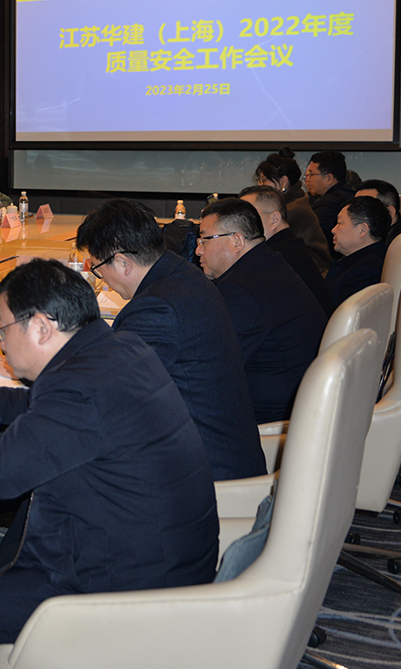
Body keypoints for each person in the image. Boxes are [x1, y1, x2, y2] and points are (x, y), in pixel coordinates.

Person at [0, 259, 218, 669]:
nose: (1, 342)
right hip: (167, 554)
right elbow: (46, 408)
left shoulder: (78, 387)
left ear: (41, 327)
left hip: (127, 588)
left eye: (3, 329)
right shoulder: (117, 349)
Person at [74, 199, 264, 481]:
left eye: (98, 269)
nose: (101, 277)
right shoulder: (183, 275)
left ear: (123, 262)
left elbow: (109, 397)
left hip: (204, 476)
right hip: (222, 453)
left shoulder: (157, 307)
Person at [198, 199, 328, 424]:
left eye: (204, 240)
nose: (198, 250)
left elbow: (208, 369)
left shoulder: (241, 290)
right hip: (300, 402)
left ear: (237, 241)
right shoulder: (269, 264)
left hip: (272, 421)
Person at [238, 184, 332, 314]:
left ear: (275, 219)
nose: (240, 225)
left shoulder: (275, 258)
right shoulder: (291, 247)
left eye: (249, 217)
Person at [255, 148, 330, 271]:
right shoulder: (294, 202)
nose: (260, 186)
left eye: (264, 180)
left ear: (283, 181)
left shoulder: (291, 210)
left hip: (309, 269)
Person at [327, 196, 392, 307]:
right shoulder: (366, 260)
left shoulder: (366, 273)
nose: (333, 230)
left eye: (340, 223)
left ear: (363, 230)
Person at [306, 149, 356, 244]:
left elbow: (309, 234)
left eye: (311, 174)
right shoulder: (348, 193)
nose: (307, 179)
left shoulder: (329, 204)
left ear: (329, 178)